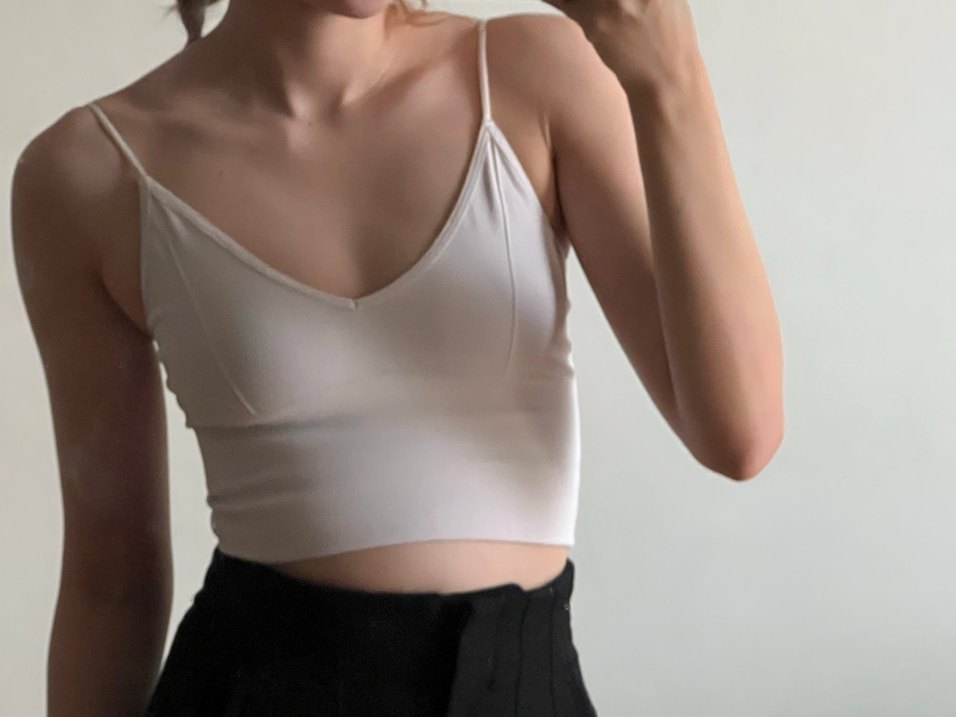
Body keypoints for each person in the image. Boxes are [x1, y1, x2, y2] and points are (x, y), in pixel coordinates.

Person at [11, 0, 783, 714]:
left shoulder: (529, 74)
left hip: (523, 685)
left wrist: (668, 73)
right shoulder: (88, 171)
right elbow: (111, 579)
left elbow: (741, 434)